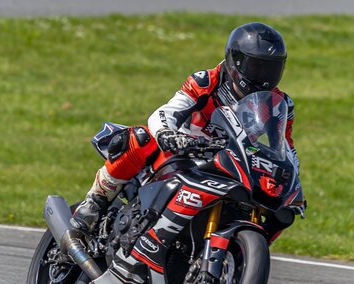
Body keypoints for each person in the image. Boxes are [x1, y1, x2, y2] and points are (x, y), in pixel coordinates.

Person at [70, 22, 300, 242]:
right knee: (139, 138)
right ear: (235, 62)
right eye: (256, 67)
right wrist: (168, 135)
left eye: (271, 69)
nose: (263, 77)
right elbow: (165, 113)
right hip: (182, 153)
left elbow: (286, 148)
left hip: (229, 162)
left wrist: (292, 180)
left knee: (275, 204)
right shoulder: (206, 81)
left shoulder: (279, 104)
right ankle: (92, 206)